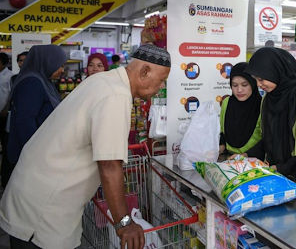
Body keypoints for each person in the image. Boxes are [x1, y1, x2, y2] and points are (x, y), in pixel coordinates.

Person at [0, 44, 171, 249]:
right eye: (161, 80)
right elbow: (109, 165)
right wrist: (124, 222)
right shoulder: (116, 95)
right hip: (43, 208)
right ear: (144, 71)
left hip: (33, 193)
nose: (161, 87)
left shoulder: (103, 80)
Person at [245, 48, 296, 176]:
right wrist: (246, 155)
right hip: (273, 171)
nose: (258, 84)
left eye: (261, 79)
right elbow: (268, 140)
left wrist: (284, 168)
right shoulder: (268, 99)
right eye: (255, 79)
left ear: (275, 71)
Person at [8, 45, 67, 166]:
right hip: (32, 153)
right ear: (48, 61)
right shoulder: (32, 82)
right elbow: (25, 120)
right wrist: (35, 151)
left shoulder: (44, 80)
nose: (62, 70)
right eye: (60, 65)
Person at [219, 62, 263, 159]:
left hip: (252, 161)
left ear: (253, 84)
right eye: (234, 85)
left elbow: (266, 140)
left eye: (244, 85)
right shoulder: (227, 102)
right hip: (228, 159)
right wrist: (221, 146)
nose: (239, 90)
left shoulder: (262, 105)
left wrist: (245, 155)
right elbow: (222, 130)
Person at [0, 53, 13, 188]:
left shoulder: (9, 76)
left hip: (3, 115)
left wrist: (5, 109)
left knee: (5, 144)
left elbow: (10, 95)